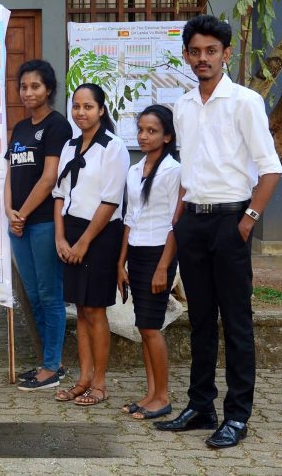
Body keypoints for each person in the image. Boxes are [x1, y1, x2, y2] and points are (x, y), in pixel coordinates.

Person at [154, 15, 282, 449]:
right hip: (193, 222)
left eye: (211, 51)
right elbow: (189, 170)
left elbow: (270, 168)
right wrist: (180, 219)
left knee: (237, 322)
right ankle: (200, 406)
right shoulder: (183, 106)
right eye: (195, 51)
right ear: (186, 55)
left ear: (226, 54)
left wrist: (248, 221)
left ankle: (237, 415)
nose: (203, 58)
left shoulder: (245, 102)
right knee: (201, 320)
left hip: (231, 222)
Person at [51, 83, 129, 406]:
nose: (81, 112)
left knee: (95, 309)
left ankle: (99, 383)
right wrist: (60, 237)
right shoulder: (70, 146)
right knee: (80, 309)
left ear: (101, 110)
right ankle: (83, 379)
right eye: (76, 106)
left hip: (100, 234)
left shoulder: (113, 147)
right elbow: (59, 195)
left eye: (88, 107)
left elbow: (110, 201)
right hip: (70, 232)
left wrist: (83, 243)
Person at [3, 60, 72, 391]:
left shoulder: (58, 126)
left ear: (49, 89)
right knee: (33, 295)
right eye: (23, 86)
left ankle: (51, 367)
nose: (28, 92)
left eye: (35, 86)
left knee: (49, 295)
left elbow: (49, 178)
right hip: (19, 225)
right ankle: (50, 361)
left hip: (43, 222)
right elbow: (9, 173)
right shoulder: (20, 128)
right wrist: (9, 211)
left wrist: (23, 214)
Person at [117, 105, 180, 420]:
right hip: (137, 252)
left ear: (167, 136)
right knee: (143, 325)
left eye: (152, 131)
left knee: (152, 326)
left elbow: (175, 223)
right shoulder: (134, 170)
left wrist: (163, 267)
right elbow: (130, 218)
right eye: (141, 129)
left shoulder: (174, 171)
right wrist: (120, 263)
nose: (143, 136)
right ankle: (151, 393)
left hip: (159, 253)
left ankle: (163, 397)